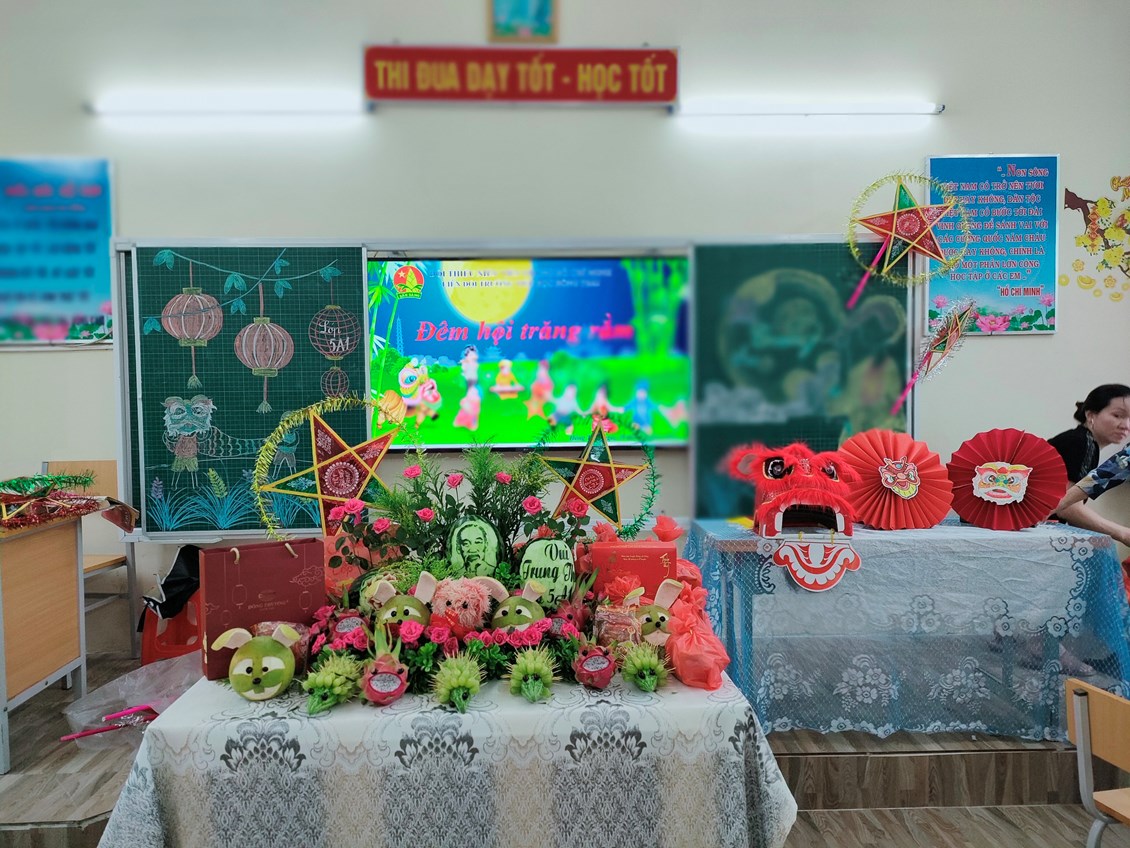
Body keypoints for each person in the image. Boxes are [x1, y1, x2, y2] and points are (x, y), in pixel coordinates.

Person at [1048, 384, 1130, 483]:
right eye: (1117, 415)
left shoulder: (1086, 441)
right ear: (1090, 415)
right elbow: (1067, 492)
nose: (1126, 426)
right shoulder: (1080, 442)